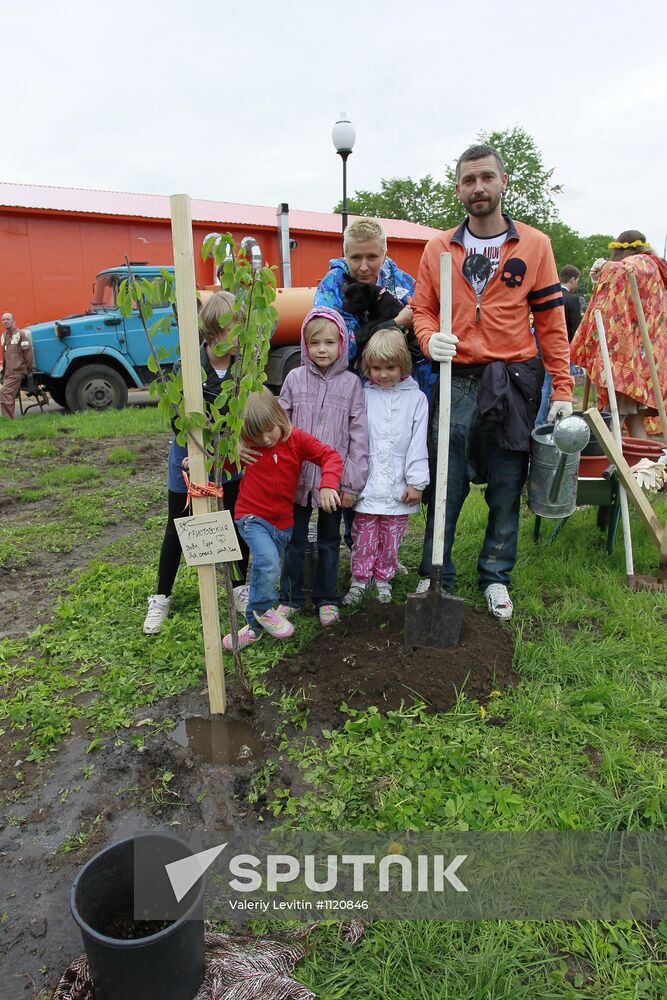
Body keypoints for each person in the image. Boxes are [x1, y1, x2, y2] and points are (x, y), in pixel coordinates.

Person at [412, 143, 572, 620]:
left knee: (506, 481)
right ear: (458, 188)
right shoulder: (439, 247)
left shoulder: (535, 246)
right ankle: (434, 569)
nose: (477, 187)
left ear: (504, 182)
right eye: (467, 180)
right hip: (455, 375)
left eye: (485, 177)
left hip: (514, 378)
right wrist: (427, 338)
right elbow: (422, 307)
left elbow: (550, 322)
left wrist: (561, 387)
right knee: (447, 481)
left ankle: (496, 577)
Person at [143, 291, 250, 635]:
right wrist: (197, 446)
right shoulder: (186, 367)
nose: (238, 338)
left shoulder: (243, 368)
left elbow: (248, 413)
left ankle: (239, 587)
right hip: (189, 461)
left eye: (242, 329)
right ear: (212, 332)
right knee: (177, 525)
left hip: (230, 461)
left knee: (235, 519)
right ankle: (161, 596)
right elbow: (177, 419)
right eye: (233, 330)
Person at [226, 389, 343, 650]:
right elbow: (219, 463)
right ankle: (265, 609)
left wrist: (328, 485)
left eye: (270, 430)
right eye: (256, 435)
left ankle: (252, 630)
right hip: (251, 515)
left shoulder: (296, 439)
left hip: (283, 525)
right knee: (267, 563)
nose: (265, 439)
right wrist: (229, 451)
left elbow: (330, 456)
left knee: (266, 570)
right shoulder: (246, 444)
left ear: (280, 417)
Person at [276, 307, 368, 626]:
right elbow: (279, 426)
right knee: (294, 540)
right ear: (305, 345)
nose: (322, 349)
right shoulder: (294, 379)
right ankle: (290, 596)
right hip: (296, 480)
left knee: (330, 541)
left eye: (329, 342)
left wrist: (350, 484)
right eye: (315, 343)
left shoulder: (351, 385)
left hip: (333, 482)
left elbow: (359, 437)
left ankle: (327, 598)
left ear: (341, 343)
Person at [343, 328, 429, 605]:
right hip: (368, 486)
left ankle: (383, 580)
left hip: (399, 487)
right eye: (376, 368)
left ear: (403, 365)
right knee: (363, 538)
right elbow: (354, 440)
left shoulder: (416, 400)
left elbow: (418, 442)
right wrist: (352, 480)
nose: (383, 374)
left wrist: (416, 482)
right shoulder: (363, 396)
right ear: (367, 367)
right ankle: (359, 579)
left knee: (391, 541)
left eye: (390, 367)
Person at [571, 230, 667, 439]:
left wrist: (603, 266)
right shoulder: (654, 268)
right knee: (633, 417)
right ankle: (642, 465)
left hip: (628, 359)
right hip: (644, 359)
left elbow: (623, 268)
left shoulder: (642, 262)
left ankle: (613, 464)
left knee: (614, 416)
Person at [535, 264, 583, 424]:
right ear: (573, 279)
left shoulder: (547, 295)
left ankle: (539, 420)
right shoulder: (572, 299)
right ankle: (556, 422)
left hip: (541, 347)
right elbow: (576, 329)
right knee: (561, 388)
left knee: (544, 387)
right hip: (562, 350)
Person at [0, 312, 34, 419]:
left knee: (5, 392)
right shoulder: (4, 336)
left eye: (8, 319)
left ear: (14, 321)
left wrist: (25, 369)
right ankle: (8, 419)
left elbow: (28, 354)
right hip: (7, 372)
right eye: (3, 319)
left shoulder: (20, 334)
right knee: (7, 394)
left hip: (17, 371)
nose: (5, 321)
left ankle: (8, 420)